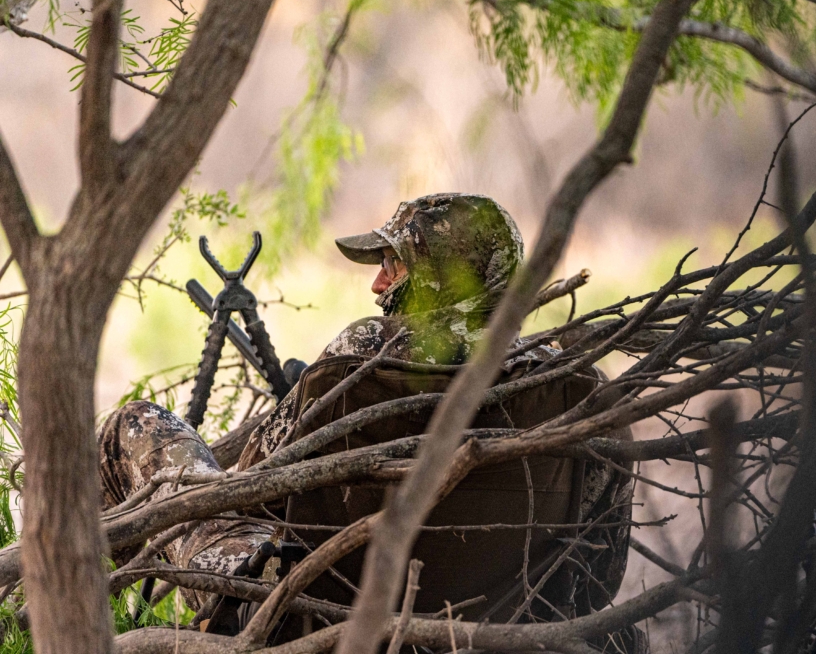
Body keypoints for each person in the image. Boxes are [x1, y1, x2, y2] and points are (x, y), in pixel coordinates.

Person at [98, 193, 636, 649]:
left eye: (393, 266)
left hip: (312, 627)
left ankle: (68, 615)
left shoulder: (363, 357)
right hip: (507, 635)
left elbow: (247, 489)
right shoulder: (580, 391)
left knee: (138, 424)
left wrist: (306, 401)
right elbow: (599, 579)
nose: (378, 286)